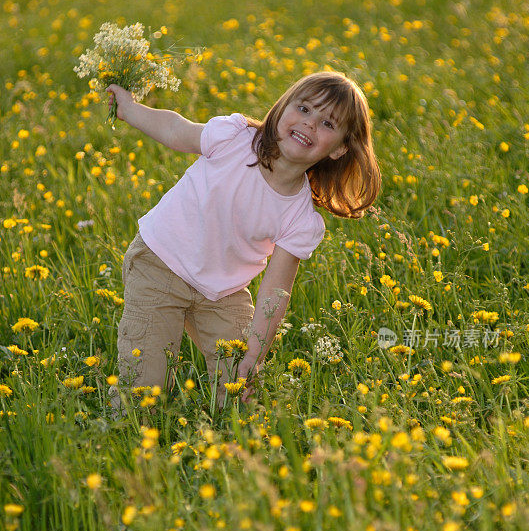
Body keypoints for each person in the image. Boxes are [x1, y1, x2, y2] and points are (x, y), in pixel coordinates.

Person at [106, 70, 381, 410]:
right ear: (282, 109)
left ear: (340, 149)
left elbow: (275, 293)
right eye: (305, 109)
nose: (310, 124)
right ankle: (126, 438)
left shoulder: (300, 218)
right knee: (144, 389)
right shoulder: (234, 138)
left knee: (240, 389)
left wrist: (253, 355)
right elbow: (177, 131)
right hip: (160, 263)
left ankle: (231, 442)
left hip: (223, 293)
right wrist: (130, 109)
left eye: (328, 124)